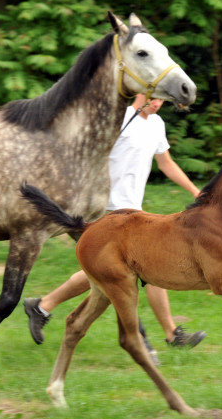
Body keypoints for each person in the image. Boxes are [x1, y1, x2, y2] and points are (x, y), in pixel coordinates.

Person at [24, 94, 206, 364]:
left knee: (110, 271)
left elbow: (165, 163)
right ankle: (159, 336)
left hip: (133, 207)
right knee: (138, 269)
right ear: (141, 92)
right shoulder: (118, 118)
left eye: (162, 101)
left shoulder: (156, 124)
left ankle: (42, 306)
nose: (157, 104)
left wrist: (194, 190)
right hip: (108, 206)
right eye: (153, 98)